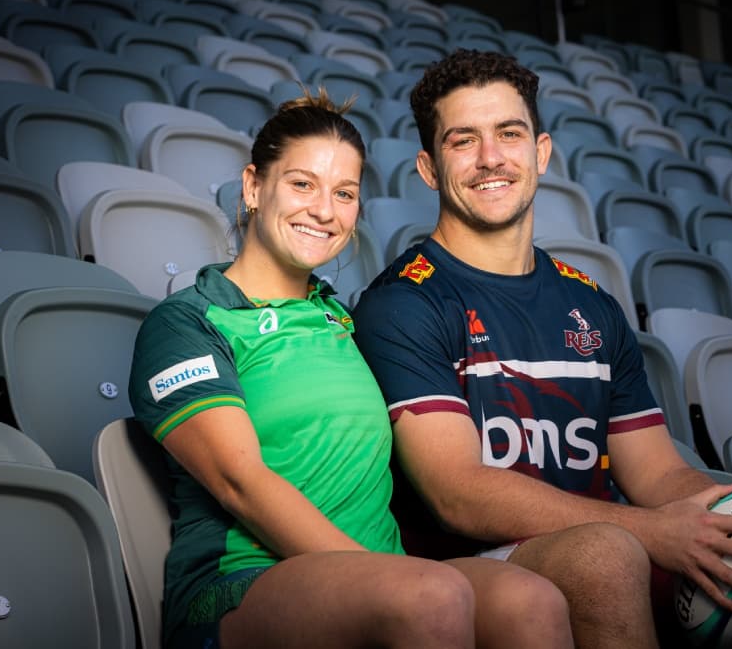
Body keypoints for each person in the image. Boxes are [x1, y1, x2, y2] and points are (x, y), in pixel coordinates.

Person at [352, 49, 732, 648]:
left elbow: (657, 473)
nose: (490, 158)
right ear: (429, 168)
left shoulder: (591, 304)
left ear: (540, 153)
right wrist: (650, 531)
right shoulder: (404, 302)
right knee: (606, 554)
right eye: (463, 140)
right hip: (485, 569)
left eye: (509, 134)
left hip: (614, 545)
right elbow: (457, 493)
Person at [128, 88, 574, 649]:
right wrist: (387, 575)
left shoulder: (343, 319)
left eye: (344, 193)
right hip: (242, 583)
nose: (323, 210)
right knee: (431, 597)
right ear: (252, 187)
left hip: (385, 571)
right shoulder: (190, 321)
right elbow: (241, 482)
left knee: (532, 599)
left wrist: (391, 572)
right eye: (302, 184)